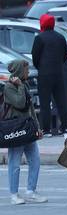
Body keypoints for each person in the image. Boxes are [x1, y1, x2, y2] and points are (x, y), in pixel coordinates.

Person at [4, 60, 46, 205]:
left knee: (35, 160)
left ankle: (30, 191)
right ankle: (14, 194)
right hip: (16, 129)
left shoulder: (24, 85)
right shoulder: (9, 87)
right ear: (19, 71)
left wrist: (37, 127)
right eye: (26, 71)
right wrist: (20, 87)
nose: (28, 73)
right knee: (14, 163)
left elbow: (31, 109)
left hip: (28, 129)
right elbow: (20, 103)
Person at [32, 13, 67, 137]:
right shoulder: (60, 37)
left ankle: (46, 130)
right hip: (58, 73)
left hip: (44, 74)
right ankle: (65, 127)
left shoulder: (39, 38)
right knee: (61, 101)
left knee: (45, 102)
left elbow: (35, 57)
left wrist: (41, 67)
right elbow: (65, 56)